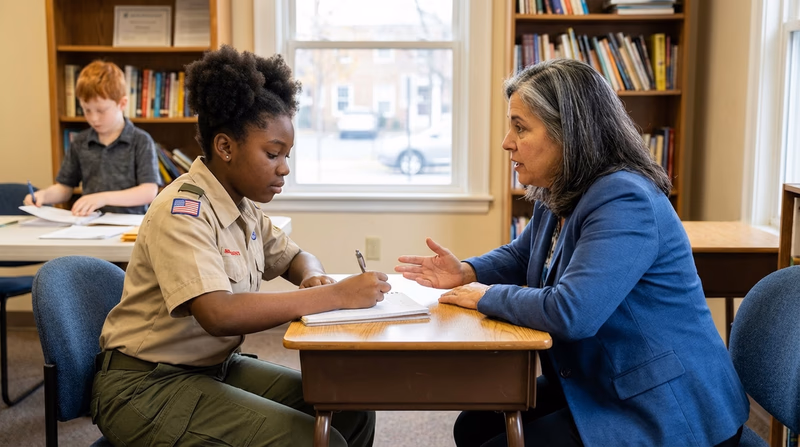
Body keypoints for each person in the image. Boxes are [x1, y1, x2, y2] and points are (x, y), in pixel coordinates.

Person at [396, 59, 748, 447]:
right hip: (603, 379)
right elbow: (522, 256)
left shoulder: (624, 198)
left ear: (569, 133)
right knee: (473, 427)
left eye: (520, 127)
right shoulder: (560, 190)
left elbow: (571, 312)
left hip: (665, 404)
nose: (506, 142)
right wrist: (465, 272)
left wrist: (484, 296)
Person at [91, 45, 383, 446]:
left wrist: (313, 275)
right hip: (145, 387)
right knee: (316, 440)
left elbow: (296, 256)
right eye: (273, 153)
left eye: (287, 155)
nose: (285, 168)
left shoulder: (240, 207)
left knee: (350, 409)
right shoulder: (184, 211)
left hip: (212, 367)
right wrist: (333, 296)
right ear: (226, 148)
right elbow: (219, 313)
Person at [24, 60, 159, 215]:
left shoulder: (141, 141)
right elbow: (65, 188)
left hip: (130, 227)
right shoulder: (80, 142)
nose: (93, 118)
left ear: (122, 104)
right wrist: (43, 196)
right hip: (90, 224)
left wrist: (103, 198)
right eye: (87, 110)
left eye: (101, 111)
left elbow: (149, 191)